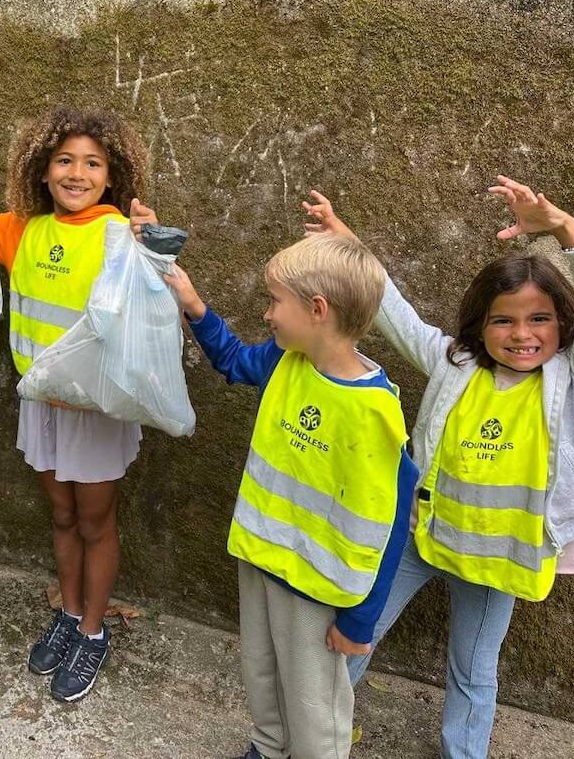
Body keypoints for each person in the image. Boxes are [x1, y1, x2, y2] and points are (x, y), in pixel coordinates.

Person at [305, 179, 574, 759]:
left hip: (498, 563)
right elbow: (397, 316)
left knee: (472, 672)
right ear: (480, 323)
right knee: (350, 639)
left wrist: (565, 229)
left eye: (539, 319)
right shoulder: (454, 365)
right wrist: (348, 245)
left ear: (564, 324)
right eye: (504, 321)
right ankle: (313, 736)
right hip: (423, 538)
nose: (522, 334)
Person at [0, 106, 153, 701]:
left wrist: (151, 248)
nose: (77, 173)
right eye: (64, 161)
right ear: (43, 171)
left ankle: (96, 633)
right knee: (61, 515)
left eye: (93, 163)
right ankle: (71, 614)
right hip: (42, 404)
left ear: (112, 175)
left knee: (96, 522)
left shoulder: (121, 236)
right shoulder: (25, 230)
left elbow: (151, 310)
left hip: (96, 412)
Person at [164, 232, 417, 759]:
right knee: (261, 672)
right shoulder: (286, 360)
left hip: (317, 590)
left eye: (275, 301)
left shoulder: (373, 413)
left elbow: (391, 524)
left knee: (314, 705)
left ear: (317, 310)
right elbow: (233, 360)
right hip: (262, 557)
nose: (267, 314)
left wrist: (360, 620)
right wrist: (193, 306)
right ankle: (267, 747)